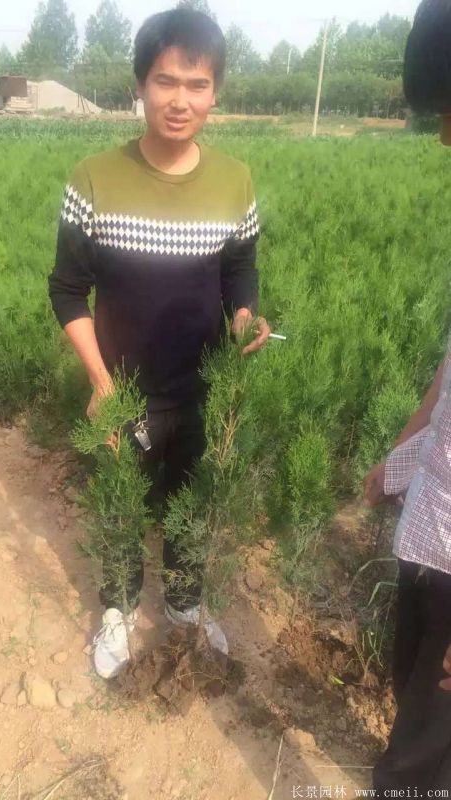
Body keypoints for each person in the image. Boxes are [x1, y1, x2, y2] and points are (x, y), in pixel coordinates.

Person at [49, 7, 270, 679]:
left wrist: (243, 318)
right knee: (121, 508)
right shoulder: (94, 177)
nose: (180, 100)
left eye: (197, 84)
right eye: (165, 81)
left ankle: (183, 604)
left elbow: (239, 269)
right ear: (140, 85)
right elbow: (68, 291)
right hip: (124, 392)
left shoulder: (234, 180)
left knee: (190, 505)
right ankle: (118, 610)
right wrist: (102, 385)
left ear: (216, 92)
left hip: (201, 389)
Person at [363, 1, 451, 790]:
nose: (445, 138)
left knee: (431, 736)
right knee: (410, 674)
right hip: (435, 523)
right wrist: (400, 456)